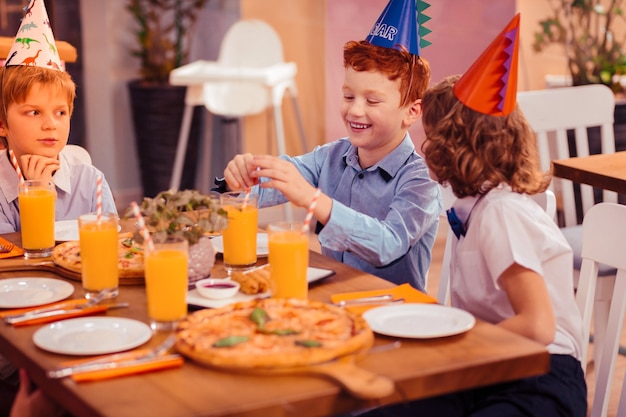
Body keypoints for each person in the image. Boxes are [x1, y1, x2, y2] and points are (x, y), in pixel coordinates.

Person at [361, 14, 587, 417]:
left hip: (541, 376)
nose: (422, 147)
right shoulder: (475, 208)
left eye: (428, 136)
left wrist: (454, 345)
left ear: (453, 145)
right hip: (493, 366)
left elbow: (537, 326)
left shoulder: (501, 212)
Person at [221, 0, 442, 292]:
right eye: (349, 97)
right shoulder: (332, 156)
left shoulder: (420, 178)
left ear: (412, 112)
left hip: (396, 312)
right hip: (334, 300)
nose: (355, 111)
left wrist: (315, 200)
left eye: (372, 101)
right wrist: (239, 180)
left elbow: (388, 244)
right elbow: (273, 182)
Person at [0, 0, 116, 235]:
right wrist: (39, 194)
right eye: (34, 112)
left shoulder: (91, 181)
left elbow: (111, 248)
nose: (50, 125)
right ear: (2, 124)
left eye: (60, 113)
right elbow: (10, 266)